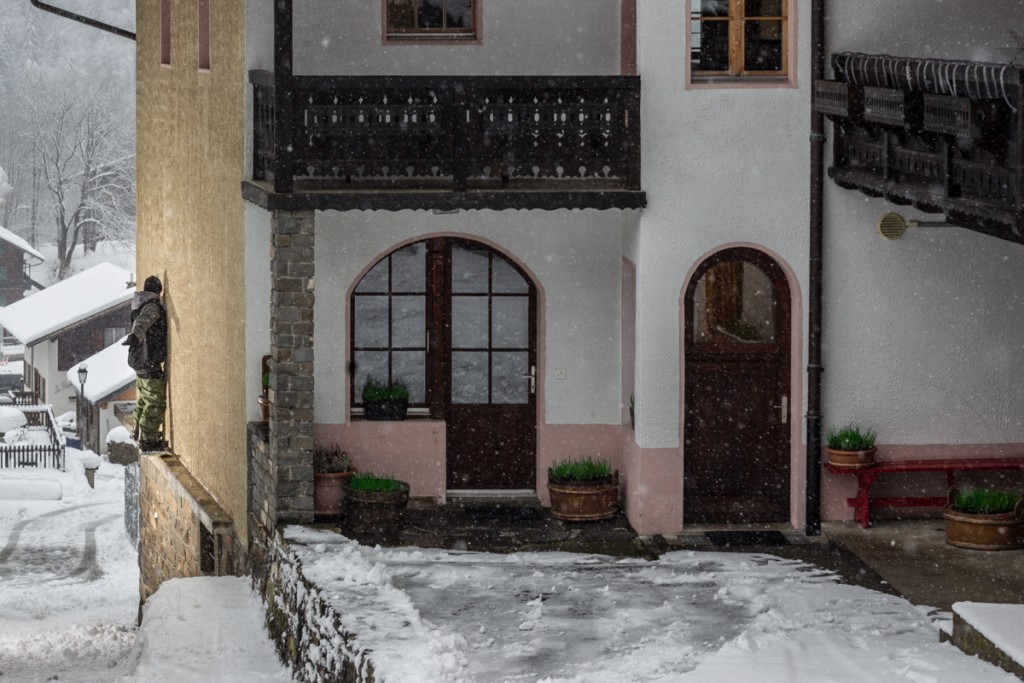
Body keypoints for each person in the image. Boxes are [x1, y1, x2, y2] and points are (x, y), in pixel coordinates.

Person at [123, 275, 168, 452]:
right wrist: (136, 336)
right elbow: (143, 322)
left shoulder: (139, 305)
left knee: (144, 399)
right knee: (155, 401)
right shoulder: (151, 306)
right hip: (148, 360)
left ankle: (138, 432)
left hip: (140, 361)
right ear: (157, 291)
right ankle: (149, 440)